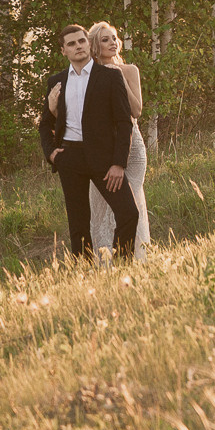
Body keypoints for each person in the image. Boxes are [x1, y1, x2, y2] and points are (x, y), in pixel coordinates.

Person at [38, 24, 139, 261]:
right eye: (71, 44)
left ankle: (123, 267)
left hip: (104, 160)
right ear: (64, 50)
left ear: (88, 43)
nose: (78, 47)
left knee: (128, 213)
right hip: (70, 158)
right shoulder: (56, 81)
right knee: (78, 224)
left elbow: (125, 122)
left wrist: (118, 163)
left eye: (81, 41)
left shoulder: (111, 76)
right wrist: (52, 154)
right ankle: (83, 275)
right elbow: (44, 124)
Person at [83, 21, 150, 255]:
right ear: (94, 46)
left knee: (132, 201)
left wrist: (116, 77)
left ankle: (138, 257)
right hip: (101, 148)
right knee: (101, 205)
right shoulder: (89, 76)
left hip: (131, 148)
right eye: (105, 39)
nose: (112, 43)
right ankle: (105, 261)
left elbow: (136, 111)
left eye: (113, 38)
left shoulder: (129, 70)